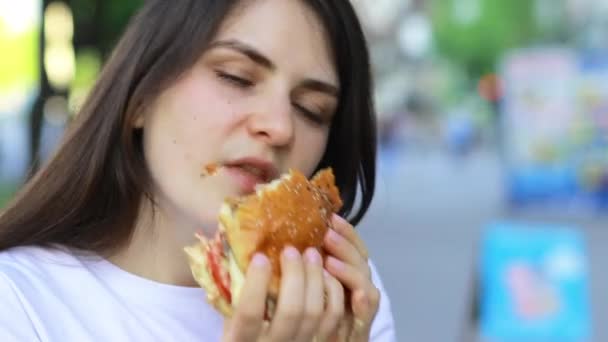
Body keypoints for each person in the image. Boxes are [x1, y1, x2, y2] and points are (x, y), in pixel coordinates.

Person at [0, 0, 396, 341]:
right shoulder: (19, 302)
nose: (279, 126)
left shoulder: (336, 296)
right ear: (141, 97)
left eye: (312, 109)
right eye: (235, 77)